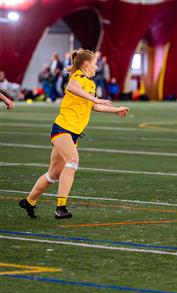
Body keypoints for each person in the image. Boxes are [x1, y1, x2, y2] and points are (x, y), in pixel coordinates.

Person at [19, 49, 129, 219]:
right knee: (73, 160)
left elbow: (95, 106)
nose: (96, 67)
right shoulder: (78, 77)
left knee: (53, 174)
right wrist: (96, 99)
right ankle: (60, 207)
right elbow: (71, 87)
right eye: (94, 63)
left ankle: (29, 201)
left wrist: (115, 110)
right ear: (86, 64)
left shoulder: (90, 84)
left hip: (73, 133)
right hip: (63, 128)